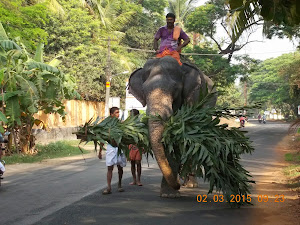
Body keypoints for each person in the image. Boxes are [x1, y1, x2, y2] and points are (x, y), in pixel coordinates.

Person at [98, 107, 127, 195]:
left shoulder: (121, 124)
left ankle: (120, 184)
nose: (118, 114)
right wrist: (100, 151)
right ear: (111, 114)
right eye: (116, 112)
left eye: (119, 112)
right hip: (111, 147)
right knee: (109, 168)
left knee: (120, 167)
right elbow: (103, 138)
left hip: (120, 148)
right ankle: (109, 187)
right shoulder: (107, 125)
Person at [128, 109, 143, 186]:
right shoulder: (127, 124)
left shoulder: (140, 124)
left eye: (131, 115)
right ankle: (134, 180)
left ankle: (138, 180)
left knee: (138, 163)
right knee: (132, 163)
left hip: (138, 146)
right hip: (130, 146)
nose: (130, 116)